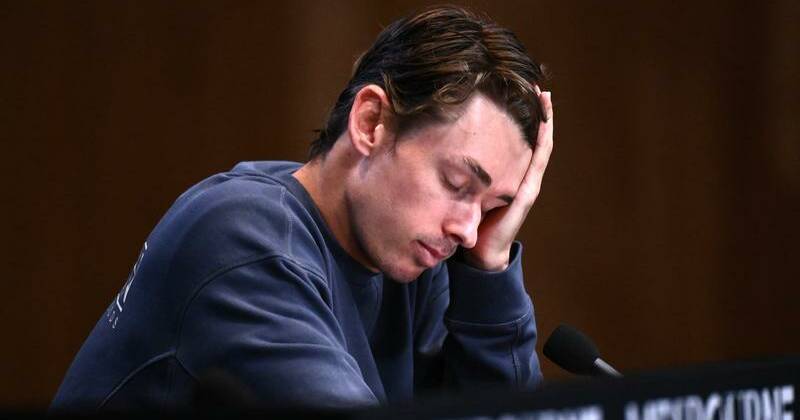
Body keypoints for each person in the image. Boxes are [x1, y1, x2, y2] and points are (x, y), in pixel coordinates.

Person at [51, 5, 554, 411]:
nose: (467, 229)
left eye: (495, 206)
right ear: (372, 121)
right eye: (457, 183)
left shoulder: (415, 251)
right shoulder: (240, 238)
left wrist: (490, 268)